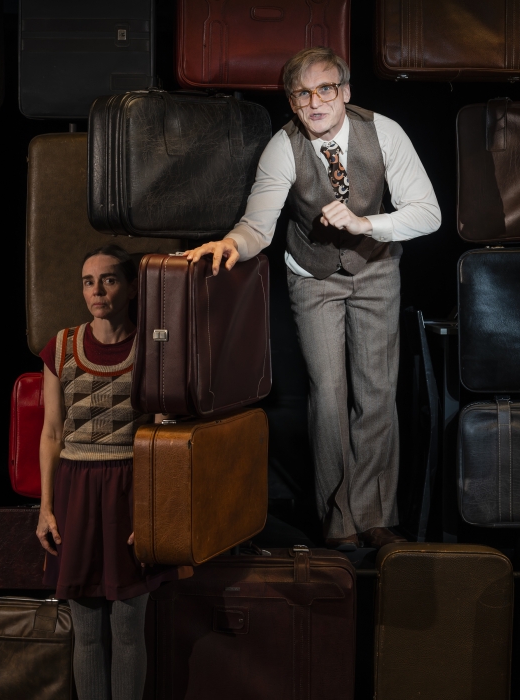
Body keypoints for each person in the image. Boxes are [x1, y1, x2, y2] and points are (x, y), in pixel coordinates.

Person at [186, 47, 441, 550]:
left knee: (376, 394)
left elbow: (427, 213)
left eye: (326, 89)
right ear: (292, 102)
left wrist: (366, 223)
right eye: (303, 94)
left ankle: (375, 516)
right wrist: (231, 244)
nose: (316, 102)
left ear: (345, 92)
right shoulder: (282, 147)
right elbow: (258, 225)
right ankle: (339, 520)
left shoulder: (384, 132)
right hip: (313, 274)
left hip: (375, 268)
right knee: (328, 394)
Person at [35, 244, 190, 700]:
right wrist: (45, 508)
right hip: (77, 492)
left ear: (132, 287)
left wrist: (154, 513)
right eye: (88, 281)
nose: (97, 291)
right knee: (85, 631)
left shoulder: (153, 349)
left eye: (108, 279)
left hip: (129, 491)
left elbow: (163, 438)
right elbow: (51, 433)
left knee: (127, 627)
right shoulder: (61, 347)